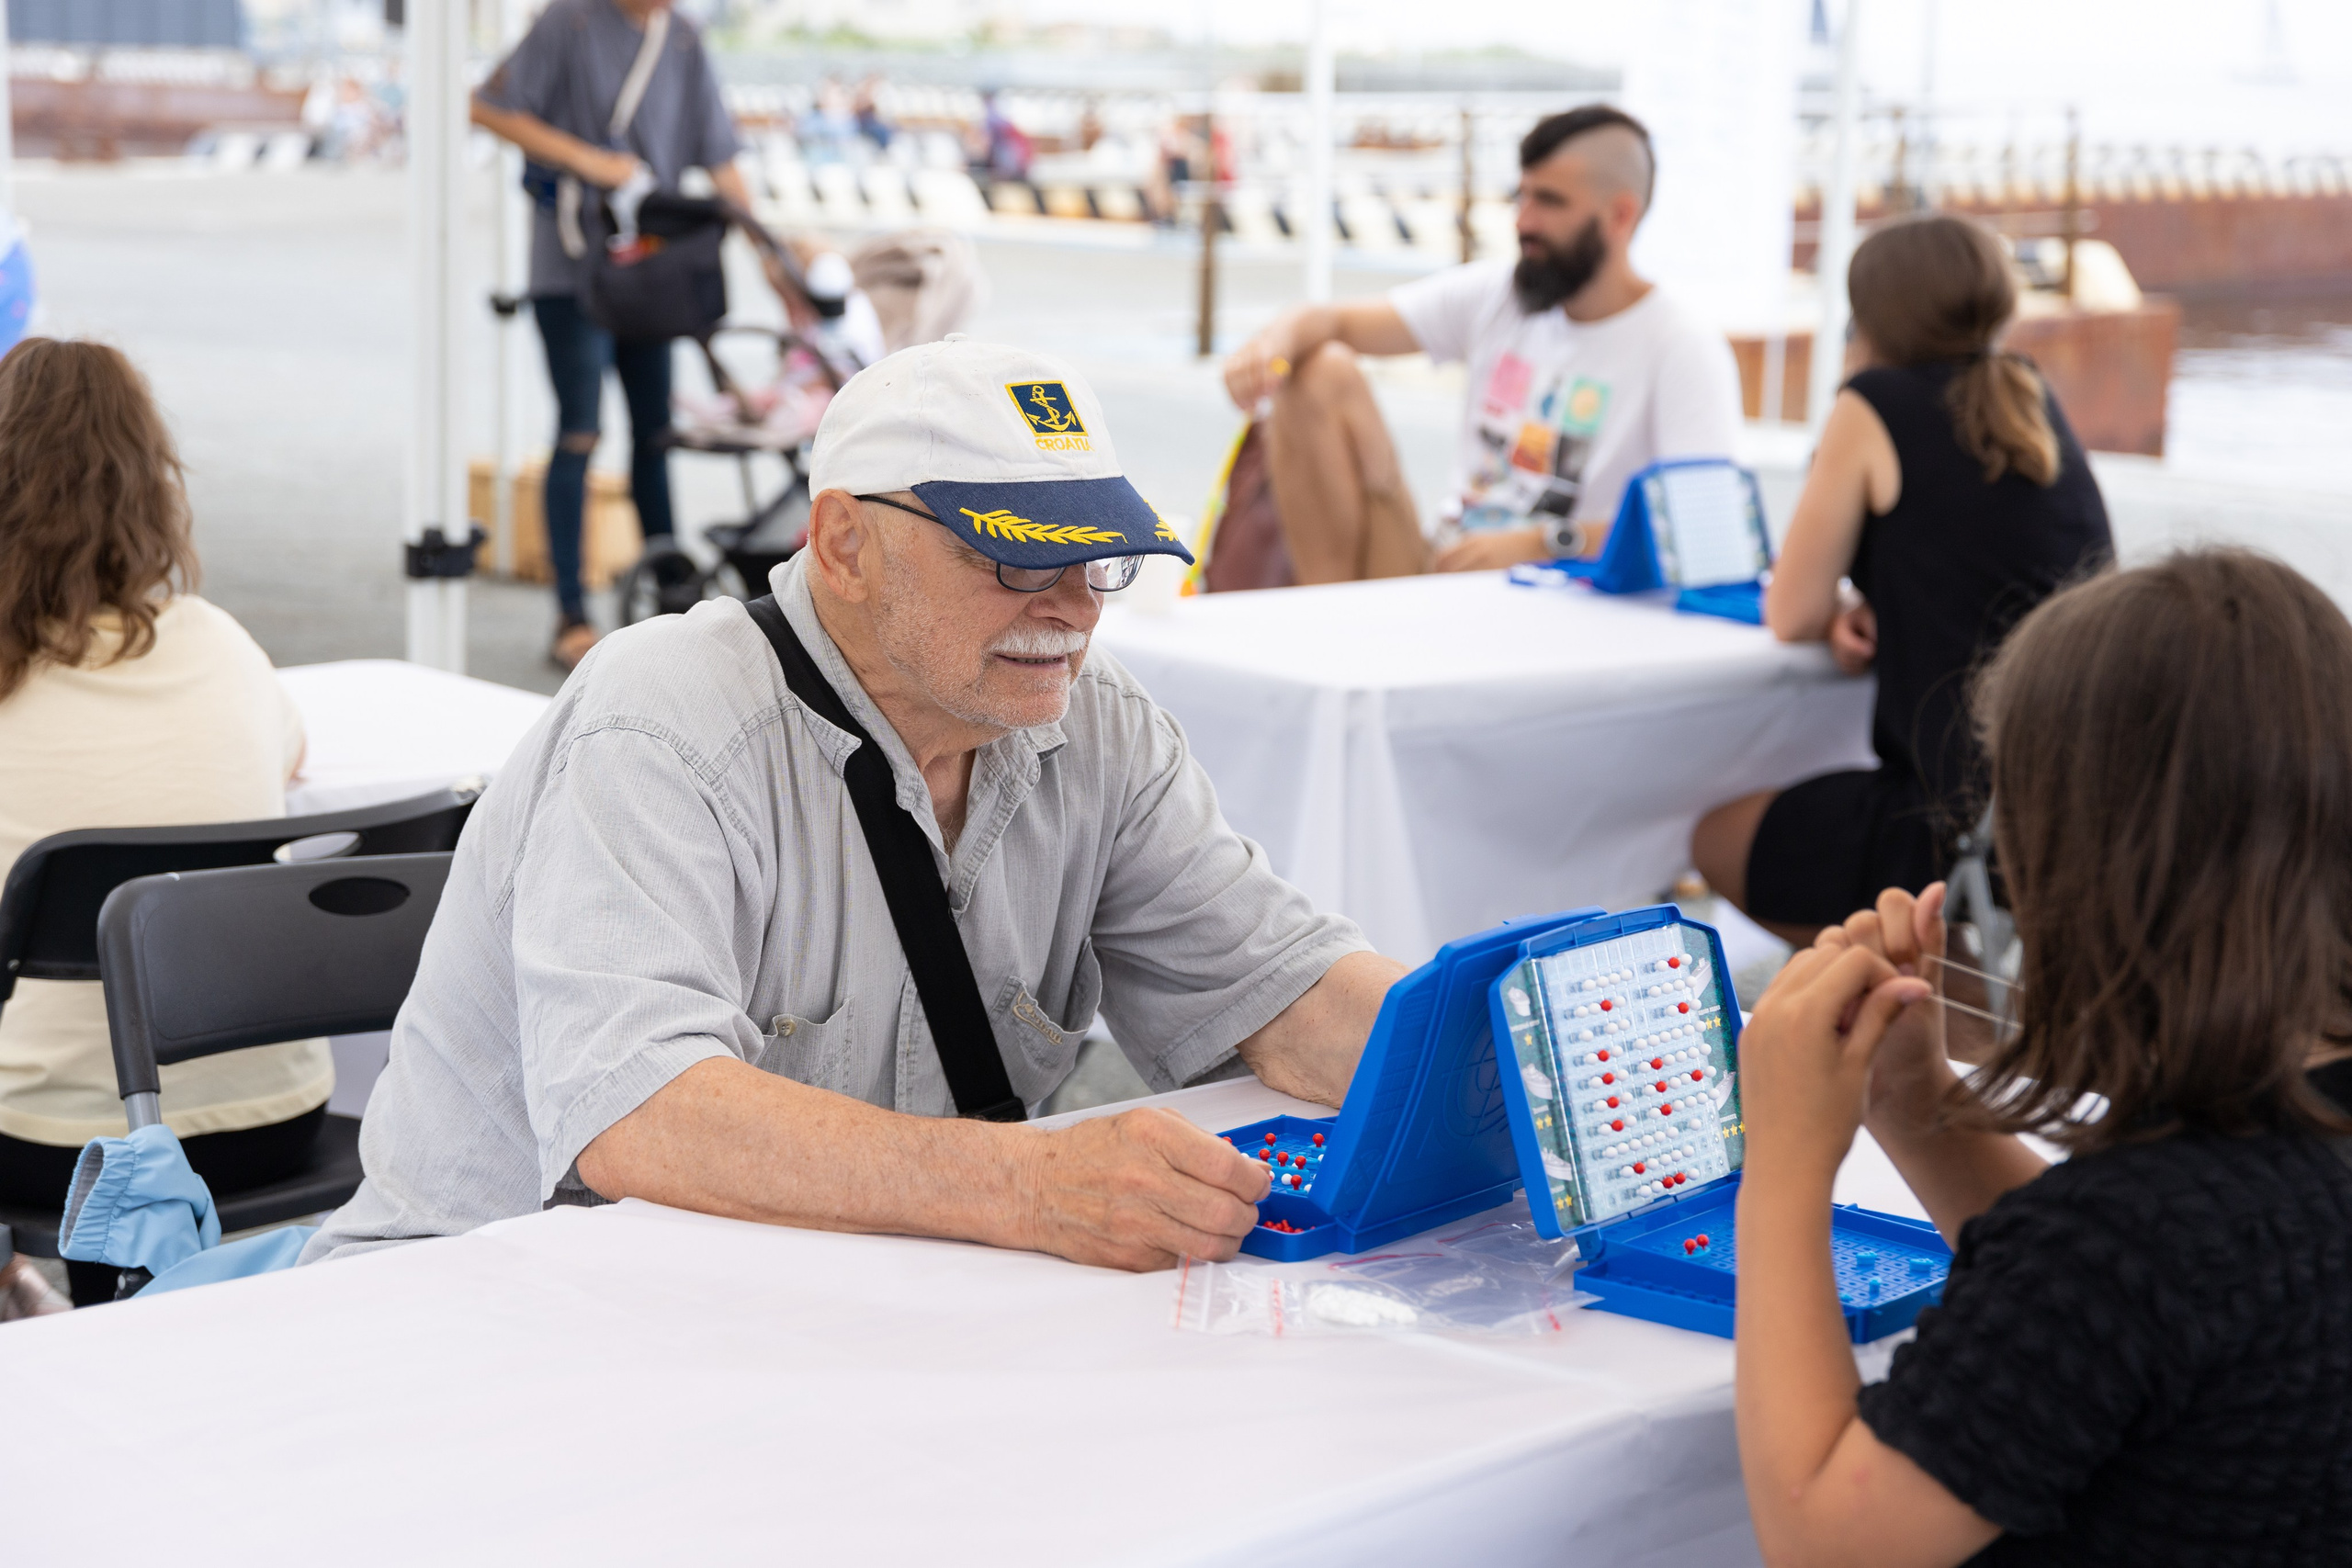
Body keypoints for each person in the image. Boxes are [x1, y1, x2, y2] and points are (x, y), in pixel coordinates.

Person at [302, 341, 1404, 1269]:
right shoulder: (661, 720)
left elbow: (1286, 993)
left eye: (1102, 560)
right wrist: (1030, 1186)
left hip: (824, 1309)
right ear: (843, 544)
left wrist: (1520, 1061)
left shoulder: (1094, 720)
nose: (1073, 609)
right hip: (492, 1312)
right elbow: (640, 1118)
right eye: (1017, 563)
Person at [1731, 549, 2352, 1565]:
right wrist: (1915, 1099)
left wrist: (1785, 1163)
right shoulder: (2250, 1170)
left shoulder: (2135, 1232)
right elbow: (2111, 1320)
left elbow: (1821, 1535)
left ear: (2084, 879)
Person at [0, 340, 330, 1307]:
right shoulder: (220, 645)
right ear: (152, 486)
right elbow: (292, 759)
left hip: (46, 1142)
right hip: (271, 1121)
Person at [1691, 213, 2112, 946]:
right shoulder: (2027, 393)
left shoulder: (1874, 403)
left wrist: (1829, 613)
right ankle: (1950, 999)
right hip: (2080, 800)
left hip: (1958, 817)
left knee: (1714, 839)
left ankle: (1943, 1010)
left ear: (1870, 314)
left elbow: (1788, 610)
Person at [1218, 105, 1742, 585]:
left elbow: (1705, 522)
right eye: (1522, 196)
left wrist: (1543, 543)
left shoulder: (1681, 345)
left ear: (1620, 216)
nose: (1523, 221)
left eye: (1549, 201)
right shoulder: (1501, 294)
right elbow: (1331, 319)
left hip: (1566, 598)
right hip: (1444, 567)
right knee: (1316, 368)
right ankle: (1327, 621)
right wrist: (1271, 348)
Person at [472, 0, 756, 672]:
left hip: (648, 266)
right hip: (569, 268)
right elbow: (486, 106)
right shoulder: (566, 21)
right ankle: (571, 612)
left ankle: (671, 598)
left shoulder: (682, 37)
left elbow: (721, 158)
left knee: (654, 432)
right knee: (579, 432)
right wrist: (589, 161)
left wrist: (775, 255)